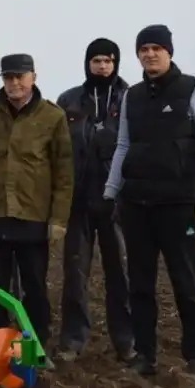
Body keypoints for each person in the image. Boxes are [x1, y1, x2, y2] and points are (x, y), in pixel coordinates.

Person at [101, 24, 195, 383]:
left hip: (178, 203)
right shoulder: (133, 96)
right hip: (136, 204)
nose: (150, 54)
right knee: (139, 284)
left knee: (186, 281)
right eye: (144, 49)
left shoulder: (192, 90)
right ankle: (145, 355)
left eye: (156, 48)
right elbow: (123, 145)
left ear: (169, 52)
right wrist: (111, 192)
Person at [0, 53, 73, 364]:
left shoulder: (52, 117)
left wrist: (58, 219)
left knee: (34, 287)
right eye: (8, 77)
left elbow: (64, 172)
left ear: (33, 77)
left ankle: (36, 348)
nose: (14, 82)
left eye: (20, 76)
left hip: (32, 217)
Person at [55, 38, 135, 364]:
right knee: (75, 273)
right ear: (87, 63)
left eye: (108, 60)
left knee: (121, 273)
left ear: (115, 63)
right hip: (79, 201)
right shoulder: (69, 101)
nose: (102, 66)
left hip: (116, 203)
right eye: (96, 60)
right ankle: (73, 340)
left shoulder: (131, 98)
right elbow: (58, 150)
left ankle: (127, 341)